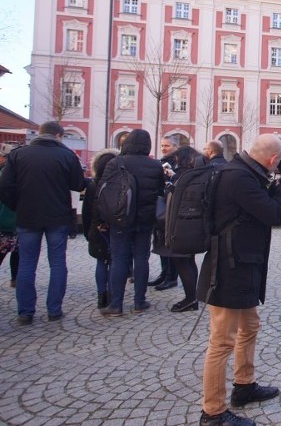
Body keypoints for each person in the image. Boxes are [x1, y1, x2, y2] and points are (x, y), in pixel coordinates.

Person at [197, 134, 281, 426]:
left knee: (249, 326)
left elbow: (262, 202)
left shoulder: (244, 172)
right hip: (228, 268)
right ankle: (212, 415)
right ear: (273, 160)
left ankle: (244, 385)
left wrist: (279, 179)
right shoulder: (238, 178)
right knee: (221, 342)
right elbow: (273, 213)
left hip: (242, 265)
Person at [0, 121, 87, 325]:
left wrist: (17, 206)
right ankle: (54, 310)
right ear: (58, 136)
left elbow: (4, 187)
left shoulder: (18, 155)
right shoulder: (67, 156)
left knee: (27, 263)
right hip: (57, 216)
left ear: (39, 133)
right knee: (57, 262)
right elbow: (78, 184)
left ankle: (25, 312)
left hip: (27, 216)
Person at [99, 129, 165, 317]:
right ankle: (139, 302)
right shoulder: (155, 166)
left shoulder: (115, 162)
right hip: (145, 219)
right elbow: (159, 191)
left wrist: (104, 217)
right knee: (141, 259)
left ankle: (116, 305)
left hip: (120, 218)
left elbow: (103, 192)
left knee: (119, 259)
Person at [155, 144, 206, 313]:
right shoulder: (198, 174)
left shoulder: (184, 176)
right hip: (192, 224)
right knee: (188, 261)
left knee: (183, 262)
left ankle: (191, 298)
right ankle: (193, 296)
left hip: (181, 225)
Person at [81, 148, 119, 309]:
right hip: (115, 228)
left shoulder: (92, 185)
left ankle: (101, 295)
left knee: (101, 262)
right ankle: (112, 294)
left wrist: (87, 232)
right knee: (115, 262)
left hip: (97, 228)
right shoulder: (120, 185)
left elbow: (86, 212)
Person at [150, 136, 179, 290]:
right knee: (160, 241)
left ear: (175, 146)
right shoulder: (161, 161)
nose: (163, 148)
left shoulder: (178, 163)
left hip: (170, 207)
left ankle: (171, 276)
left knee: (169, 243)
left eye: (167, 145)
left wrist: (171, 174)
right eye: (162, 145)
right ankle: (164, 273)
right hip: (161, 204)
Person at [0, 147, 20, 288]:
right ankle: (15, 278)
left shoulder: (5, 173)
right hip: (16, 221)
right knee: (18, 253)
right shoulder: (22, 174)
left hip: (5, 220)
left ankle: (15, 278)